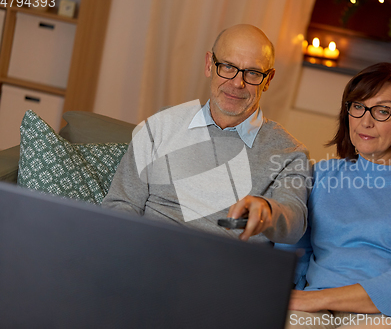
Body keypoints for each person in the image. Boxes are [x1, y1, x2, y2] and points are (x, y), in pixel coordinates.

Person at [276, 63, 391, 329]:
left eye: (383, 111)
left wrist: (315, 299)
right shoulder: (320, 174)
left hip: (386, 315)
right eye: (358, 106)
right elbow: (292, 253)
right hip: (313, 307)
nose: (365, 121)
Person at [102, 24, 311, 244]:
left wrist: (268, 212)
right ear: (209, 65)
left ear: (268, 80)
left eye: (253, 73)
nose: (237, 83)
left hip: (223, 269)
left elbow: (295, 223)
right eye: (228, 67)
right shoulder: (159, 127)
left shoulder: (290, 153)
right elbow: (121, 206)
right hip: (148, 258)